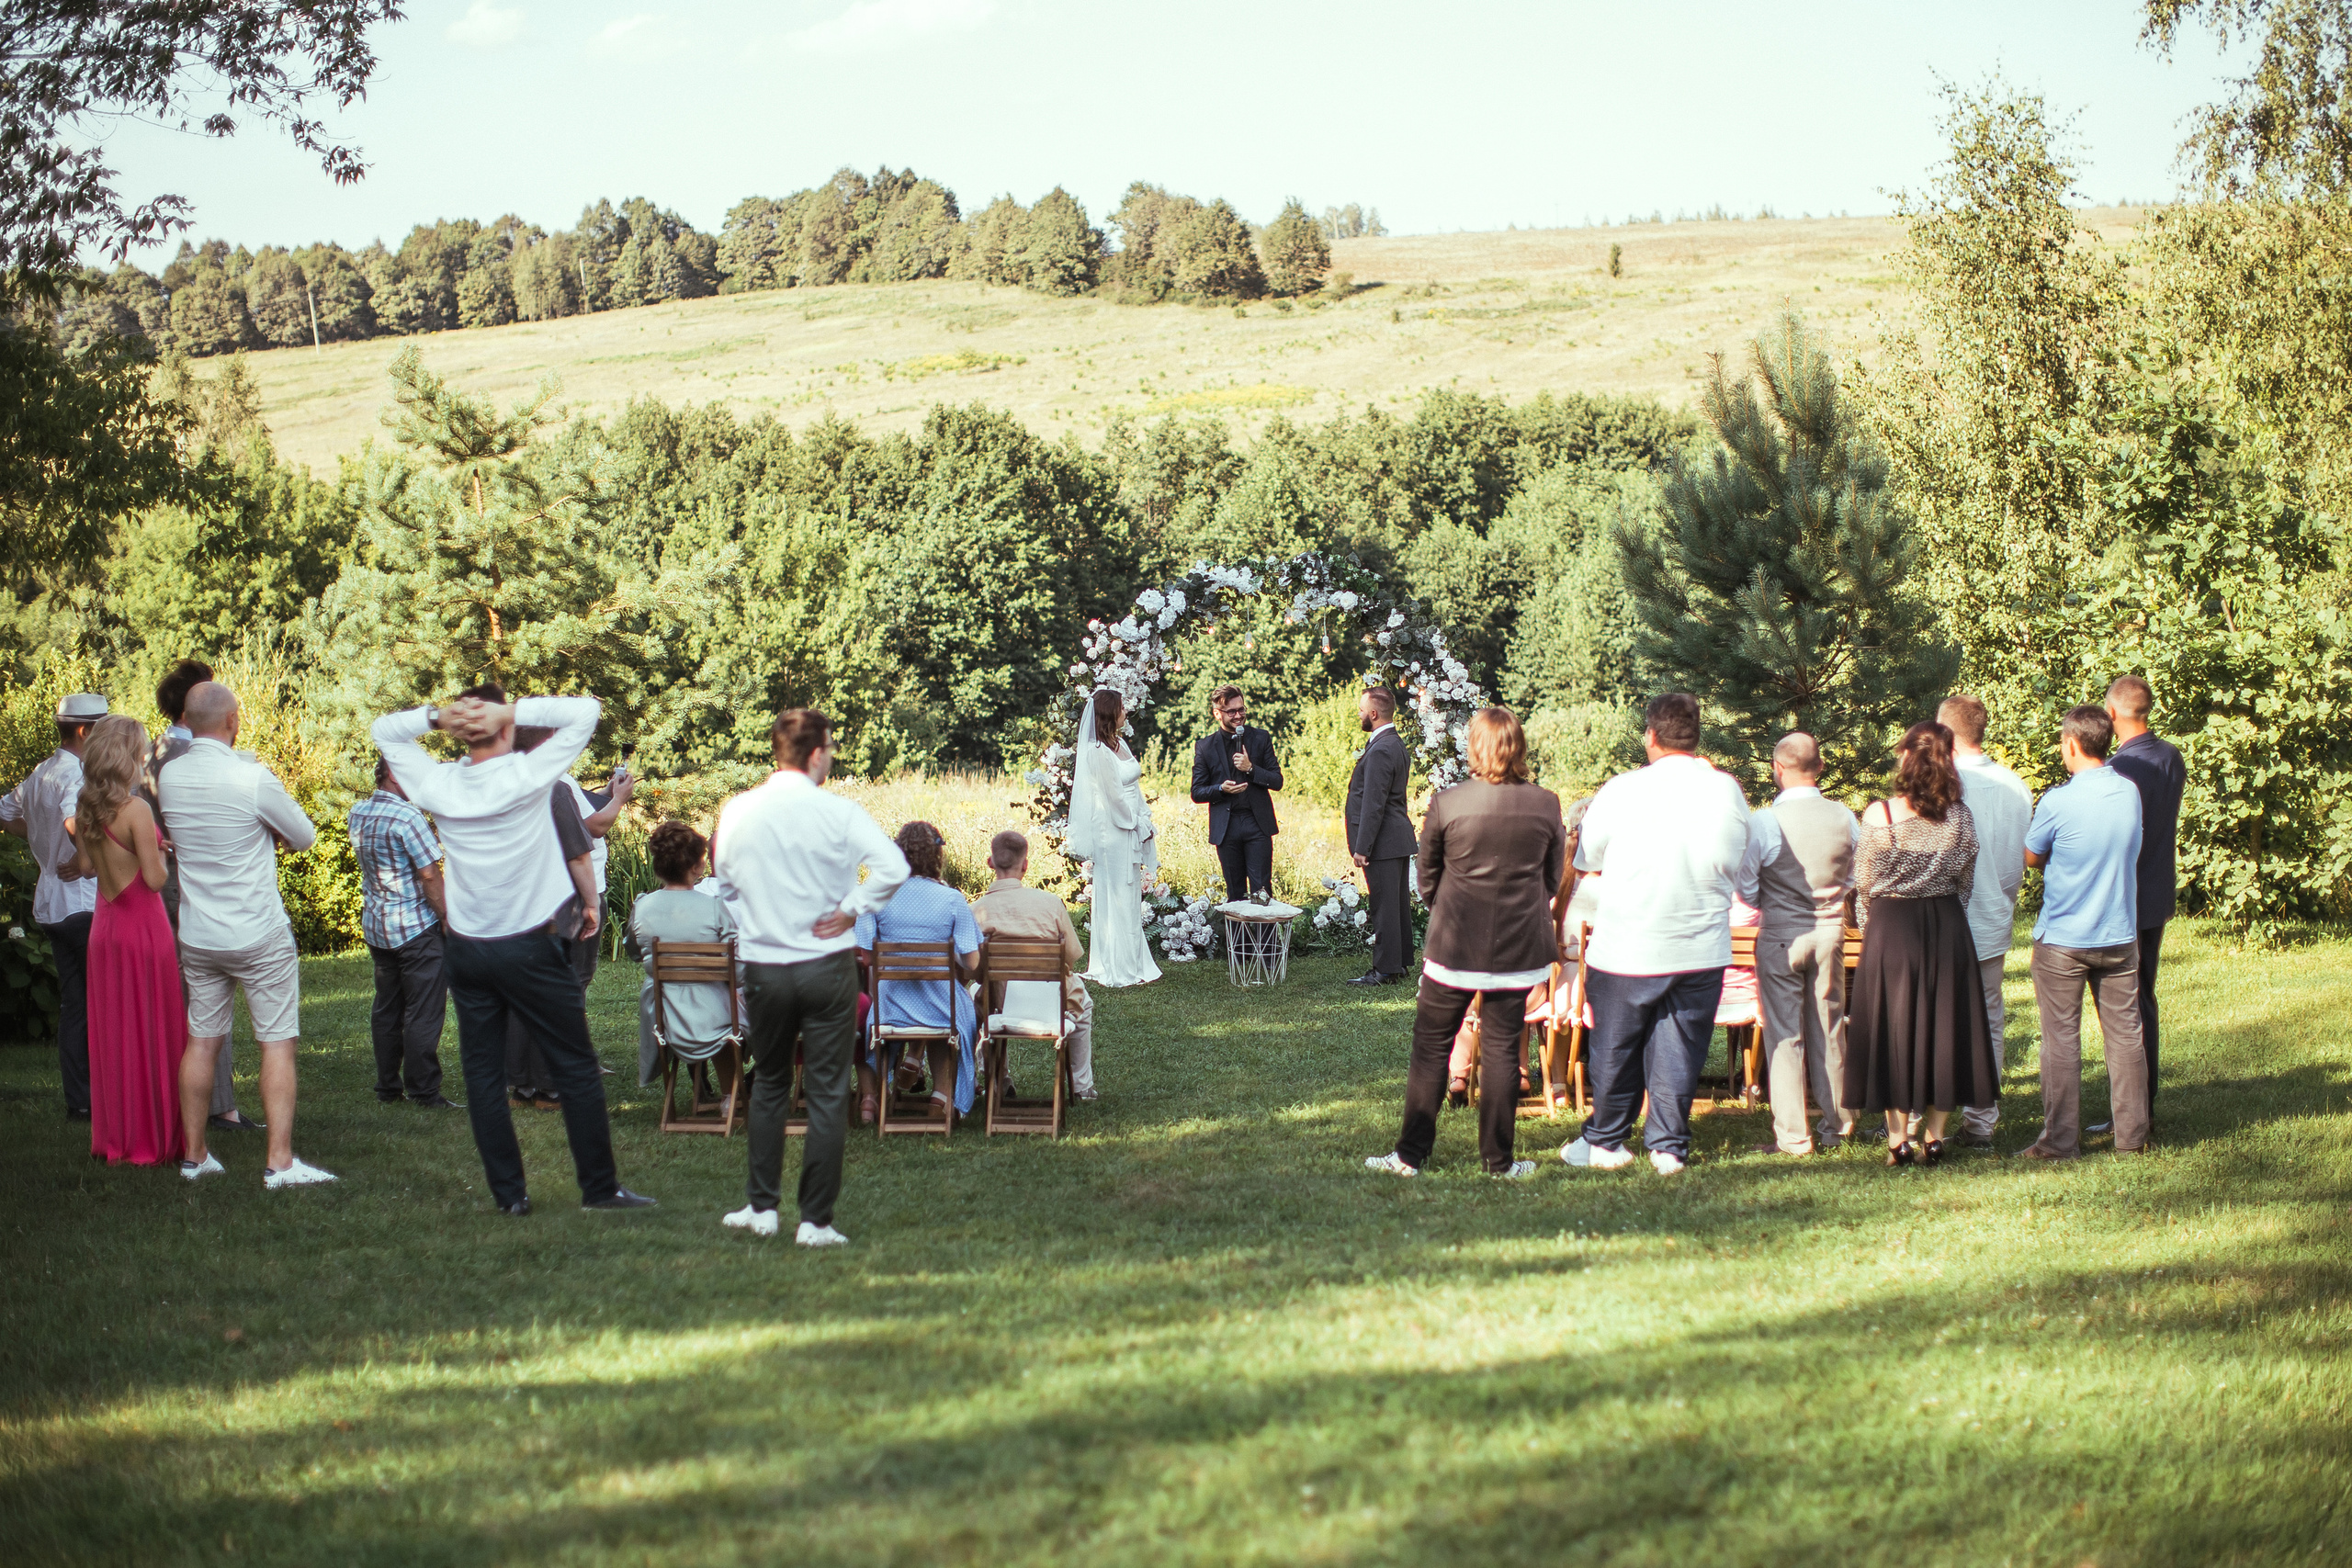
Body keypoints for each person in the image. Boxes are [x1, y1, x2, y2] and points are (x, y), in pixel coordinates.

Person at [371, 684, 654, 1214]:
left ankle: (510, 1197)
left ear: (461, 730)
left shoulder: (438, 783)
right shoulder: (529, 775)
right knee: (573, 1063)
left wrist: (435, 717)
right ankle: (599, 1188)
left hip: (468, 948)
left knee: (483, 1073)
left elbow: (384, 731)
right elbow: (586, 712)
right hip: (529, 943)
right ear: (505, 727)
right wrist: (508, 710)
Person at [713, 708, 910, 1247]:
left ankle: (762, 1208)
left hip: (765, 964)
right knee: (826, 1091)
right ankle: (815, 1221)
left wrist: (759, 915)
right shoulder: (840, 813)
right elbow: (893, 866)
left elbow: (724, 880)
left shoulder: (740, 810)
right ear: (818, 753)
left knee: (772, 1081)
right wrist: (852, 907)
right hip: (827, 965)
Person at [1558, 694, 1755, 1177]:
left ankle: (1605, 1139)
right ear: (1696, 736)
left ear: (1650, 735)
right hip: (1700, 945)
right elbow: (1741, 865)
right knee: (1680, 1046)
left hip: (1628, 942)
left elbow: (1587, 860)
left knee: (1616, 1047)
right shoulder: (1727, 790)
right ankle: (1667, 1146)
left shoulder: (1623, 790)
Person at [1368, 707, 1564, 1180]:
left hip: (1454, 946)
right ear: (1518, 748)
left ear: (1474, 747)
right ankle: (1498, 1163)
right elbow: (1552, 879)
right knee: (1500, 1049)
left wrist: (1452, 911)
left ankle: (1410, 1156)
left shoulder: (1448, 802)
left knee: (1431, 1047)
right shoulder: (1545, 803)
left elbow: (1427, 879)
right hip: (1518, 948)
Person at [159, 682, 334, 1188]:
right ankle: (279, 1162)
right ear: (234, 720)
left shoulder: (169, 775)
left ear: (187, 722)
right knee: (277, 1044)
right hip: (257, 930)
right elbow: (304, 836)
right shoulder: (253, 777)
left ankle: (195, 1156)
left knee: (201, 1041)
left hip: (198, 932)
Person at [1842, 722, 1998, 1167]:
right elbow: (1965, 880)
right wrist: (1948, 914)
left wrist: (1877, 930)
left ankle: (1898, 1140)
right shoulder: (1960, 816)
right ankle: (1935, 1136)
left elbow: (1866, 885)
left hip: (1893, 927)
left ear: (1906, 757)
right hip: (1947, 922)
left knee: (1894, 1026)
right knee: (1947, 1025)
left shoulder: (1880, 815)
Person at [2021, 705, 2151, 1160]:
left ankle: (2059, 1141)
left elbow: (2032, 856)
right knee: (2125, 1036)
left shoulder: (2058, 800)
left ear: (2072, 744)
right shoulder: (2130, 792)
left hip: (2065, 940)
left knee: (2061, 1039)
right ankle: (2131, 1138)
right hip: (2119, 934)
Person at [58, 716, 185, 1166]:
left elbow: (90, 869)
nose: (145, 759)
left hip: (105, 931)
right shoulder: (136, 810)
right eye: (142, 752)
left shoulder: (86, 804)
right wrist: (161, 852)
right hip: (143, 931)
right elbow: (153, 880)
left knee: (115, 1036)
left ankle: (117, 1137)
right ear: (126, 757)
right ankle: (154, 1138)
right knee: (152, 1029)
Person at [143, 659, 257, 1135]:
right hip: (196, 881)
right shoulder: (192, 756)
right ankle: (221, 1107)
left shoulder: (151, 752)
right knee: (211, 994)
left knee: (184, 993)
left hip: (163, 882)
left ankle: (186, 1100)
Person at [1740, 732, 1861, 1157]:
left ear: (1777, 769)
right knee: (1829, 1028)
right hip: (1830, 931)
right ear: (1821, 767)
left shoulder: (1765, 822)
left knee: (1784, 1034)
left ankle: (1793, 1136)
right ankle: (1839, 1124)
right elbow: (1854, 876)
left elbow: (1746, 884)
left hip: (1780, 935)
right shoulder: (1845, 817)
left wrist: (1774, 905)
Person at [1, 694, 103, 1120]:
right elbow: (72, 818)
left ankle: (80, 1102)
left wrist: (43, 845)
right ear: (84, 731)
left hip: (52, 903)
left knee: (74, 1005)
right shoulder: (76, 774)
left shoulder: (42, 770)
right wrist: (88, 860)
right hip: (81, 904)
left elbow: (5, 813)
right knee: (97, 1004)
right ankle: (101, 1097)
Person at [1940, 694, 2034, 1148]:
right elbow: (2018, 860)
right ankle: (1981, 1119)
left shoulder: (1942, 783)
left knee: (1936, 1017)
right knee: (1990, 1019)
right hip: (1995, 912)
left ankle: (1921, 1112)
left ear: (1946, 734)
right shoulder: (2016, 785)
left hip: (1948, 916)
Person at [854, 820, 981, 1125]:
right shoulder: (952, 899)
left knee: (925, 1010)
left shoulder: (876, 895)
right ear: (937, 856)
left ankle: (880, 1096)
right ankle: (940, 1096)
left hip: (890, 1009)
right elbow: (973, 963)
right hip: (942, 1007)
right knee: (952, 1015)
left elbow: (867, 956)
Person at [2099, 673, 2184, 1135]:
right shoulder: (2171, 756)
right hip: (2157, 891)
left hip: (2126, 895)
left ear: (2112, 713)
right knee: (2142, 996)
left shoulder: (2120, 769)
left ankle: (2134, 1111)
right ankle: (2144, 1100)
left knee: (2124, 1005)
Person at [348, 756, 457, 1109]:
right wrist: (446, 916)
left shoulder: (358, 812)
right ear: (394, 773)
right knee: (423, 1010)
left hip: (378, 925)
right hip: (414, 926)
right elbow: (429, 874)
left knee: (387, 1007)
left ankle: (388, 1088)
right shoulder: (407, 817)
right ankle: (424, 1092)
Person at [973, 829, 1098, 1101]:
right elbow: (1071, 956)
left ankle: (995, 1076)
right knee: (1084, 1003)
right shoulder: (1050, 904)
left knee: (976, 997)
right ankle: (1081, 1085)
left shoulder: (978, 910)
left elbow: (974, 967)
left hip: (1000, 1004)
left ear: (990, 862)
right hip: (1051, 1004)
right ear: (1026, 865)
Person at [625, 819, 737, 1089]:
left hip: (663, 1015)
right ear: (698, 866)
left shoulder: (642, 907)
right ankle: (729, 1097)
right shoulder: (715, 908)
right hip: (717, 1015)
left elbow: (634, 951)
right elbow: (738, 966)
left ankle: (700, 1086)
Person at [1070, 688, 1160, 987]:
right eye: (1122, 707)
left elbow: (1133, 786)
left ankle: (1133, 961)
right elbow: (1113, 797)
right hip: (1113, 831)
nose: (1126, 710)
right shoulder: (1096, 752)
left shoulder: (1119, 743)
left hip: (1130, 825)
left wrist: (1144, 817)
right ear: (1110, 712)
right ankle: (1117, 967)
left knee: (1130, 891)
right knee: (1118, 893)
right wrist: (1136, 824)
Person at [1344, 685, 1419, 987]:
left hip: (1384, 841)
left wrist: (1362, 847)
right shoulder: (1393, 743)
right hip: (1394, 838)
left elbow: (1374, 803)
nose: (1359, 714)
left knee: (1385, 907)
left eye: (1362, 710)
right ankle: (1397, 963)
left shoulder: (1382, 748)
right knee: (1396, 904)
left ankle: (1385, 970)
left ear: (1373, 714)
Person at [1189, 683, 1283, 902]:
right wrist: (1221, 789)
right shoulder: (1205, 746)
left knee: (1262, 893)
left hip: (1257, 823)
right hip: (1227, 826)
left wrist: (1251, 768)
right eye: (1231, 712)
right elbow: (1197, 791)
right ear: (1217, 714)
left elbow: (1277, 781)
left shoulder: (1261, 738)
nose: (1239, 715)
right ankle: (1237, 938)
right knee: (1235, 893)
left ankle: (1263, 937)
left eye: (1242, 709)